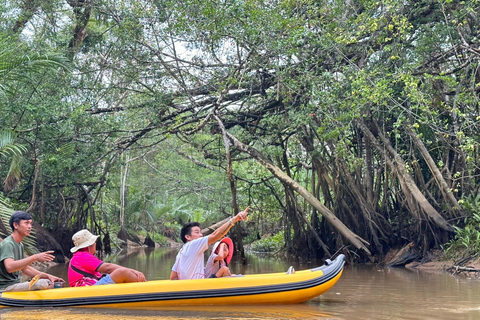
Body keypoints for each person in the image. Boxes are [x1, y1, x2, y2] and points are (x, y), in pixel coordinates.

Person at [170, 206, 250, 280]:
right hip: (197, 289)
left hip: (189, 289)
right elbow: (216, 235)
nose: (201, 235)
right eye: (197, 232)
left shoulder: (180, 253)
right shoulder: (193, 244)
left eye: (200, 232)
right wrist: (235, 219)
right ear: (187, 237)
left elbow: (173, 277)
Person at [0, 211, 65, 292]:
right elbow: (10, 267)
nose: (29, 226)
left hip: (15, 283)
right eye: (26, 223)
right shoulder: (8, 244)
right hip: (5, 287)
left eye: (30, 223)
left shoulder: (20, 245)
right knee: (44, 284)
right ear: (15, 225)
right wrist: (35, 257)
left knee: (50, 282)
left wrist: (48, 276)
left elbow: (25, 269)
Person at [68, 229, 147, 287]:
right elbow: (107, 268)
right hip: (87, 290)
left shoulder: (79, 256)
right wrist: (134, 271)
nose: (95, 244)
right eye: (93, 242)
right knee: (122, 272)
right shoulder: (82, 256)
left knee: (120, 274)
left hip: (90, 287)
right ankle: (146, 287)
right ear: (89, 245)